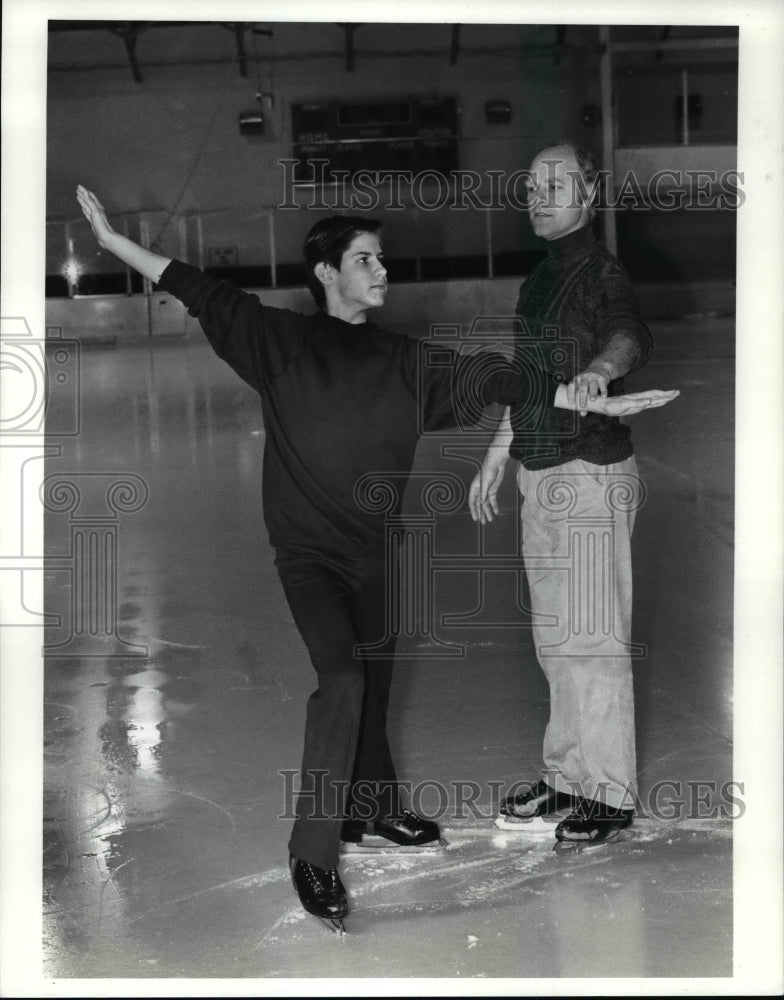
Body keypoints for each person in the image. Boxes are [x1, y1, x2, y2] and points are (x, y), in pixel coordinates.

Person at [77, 185, 677, 924]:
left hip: (375, 554)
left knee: (376, 680)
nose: (382, 269)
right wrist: (112, 243)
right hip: (310, 558)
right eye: (366, 259)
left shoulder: (404, 360)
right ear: (328, 274)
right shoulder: (279, 342)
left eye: (382, 258)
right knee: (341, 678)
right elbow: (193, 286)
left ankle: (373, 809)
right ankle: (315, 849)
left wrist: (590, 398)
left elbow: (502, 381)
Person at [469, 142, 668, 845]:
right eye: (530, 183)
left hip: (589, 470)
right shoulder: (539, 278)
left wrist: (598, 373)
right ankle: (566, 777)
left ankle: (609, 793)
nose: (538, 192)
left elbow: (627, 331)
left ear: (588, 193)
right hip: (540, 469)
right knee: (556, 639)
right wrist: (499, 451)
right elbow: (526, 379)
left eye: (556, 181)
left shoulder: (598, 269)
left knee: (593, 638)